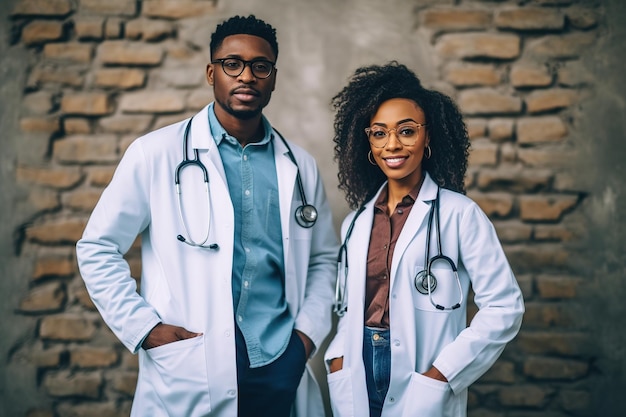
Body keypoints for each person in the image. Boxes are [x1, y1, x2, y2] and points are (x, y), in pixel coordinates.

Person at [76, 15, 338, 417]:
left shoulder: (299, 166)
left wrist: (305, 338)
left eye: (260, 66)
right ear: (211, 73)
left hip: (278, 361)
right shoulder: (156, 154)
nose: (246, 76)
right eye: (232, 64)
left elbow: (323, 260)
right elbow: (98, 247)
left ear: (273, 77)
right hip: (192, 364)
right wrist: (144, 329)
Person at [324, 62, 525, 417]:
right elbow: (349, 308)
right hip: (358, 369)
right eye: (379, 133)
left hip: (424, 374)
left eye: (407, 131)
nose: (392, 145)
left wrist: (442, 374)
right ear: (368, 143)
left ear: (428, 136)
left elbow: (504, 307)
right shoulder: (355, 223)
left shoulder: (459, 214)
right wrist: (338, 359)